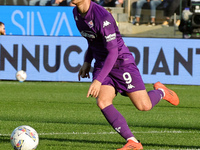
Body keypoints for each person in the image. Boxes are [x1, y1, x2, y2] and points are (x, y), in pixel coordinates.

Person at [72, 0, 180, 149]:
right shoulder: (76, 13)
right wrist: (87, 62)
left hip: (121, 63)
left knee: (144, 106)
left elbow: (113, 51)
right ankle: (133, 142)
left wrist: (98, 80)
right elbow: (92, 40)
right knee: (103, 102)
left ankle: (162, 92)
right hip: (102, 63)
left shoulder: (102, 17)